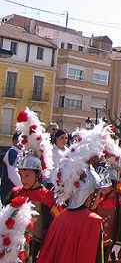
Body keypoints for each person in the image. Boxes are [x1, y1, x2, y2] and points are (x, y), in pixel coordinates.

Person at [38, 123, 113, 263]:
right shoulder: (93, 221)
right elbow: (96, 258)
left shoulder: (61, 216)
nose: (99, 199)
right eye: (97, 194)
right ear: (89, 195)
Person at [9, 108, 58, 262]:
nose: (23, 180)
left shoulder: (47, 196)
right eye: (21, 175)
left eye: (28, 175)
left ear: (38, 174)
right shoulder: (15, 192)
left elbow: (52, 226)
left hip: (38, 250)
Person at [94, 128, 121, 263]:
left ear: (114, 184)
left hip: (113, 245)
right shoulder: (98, 200)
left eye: (105, 185)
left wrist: (119, 243)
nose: (102, 189)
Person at [0, 133, 22, 202]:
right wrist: (24, 187)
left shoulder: (18, 153)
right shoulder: (13, 152)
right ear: (15, 141)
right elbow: (12, 174)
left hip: (13, 190)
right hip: (9, 191)